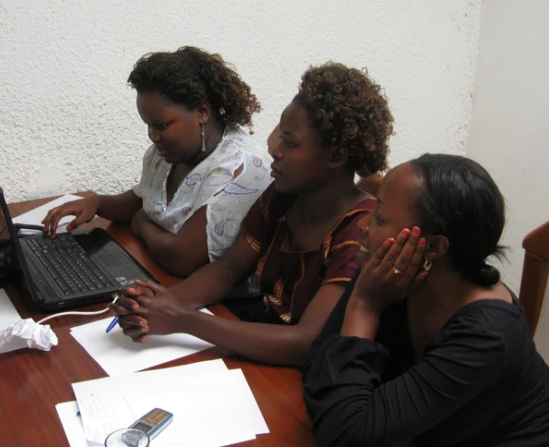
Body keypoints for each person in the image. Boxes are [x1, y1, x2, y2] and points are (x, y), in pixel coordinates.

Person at [303, 154, 549, 447]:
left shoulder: (488, 333)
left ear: (433, 247)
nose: (364, 226)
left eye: (380, 217)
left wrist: (364, 306)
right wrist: (363, 445)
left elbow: (341, 420)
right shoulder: (388, 274)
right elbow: (317, 366)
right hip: (427, 445)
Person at [111, 62, 395, 366]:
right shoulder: (283, 195)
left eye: (290, 142)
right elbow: (228, 269)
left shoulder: (359, 230)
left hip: (301, 371)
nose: (274, 149)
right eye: (278, 134)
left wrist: (184, 319)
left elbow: (306, 342)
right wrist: (159, 302)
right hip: (255, 345)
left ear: (336, 155)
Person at [42, 46, 272, 277]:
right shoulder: (167, 154)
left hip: (218, 303)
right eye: (148, 125)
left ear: (202, 112)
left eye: (161, 125)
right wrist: (97, 203)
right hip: (157, 274)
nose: (152, 136)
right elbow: (143, 200)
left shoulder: (240, 168)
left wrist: (142, 224)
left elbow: (180, 258)